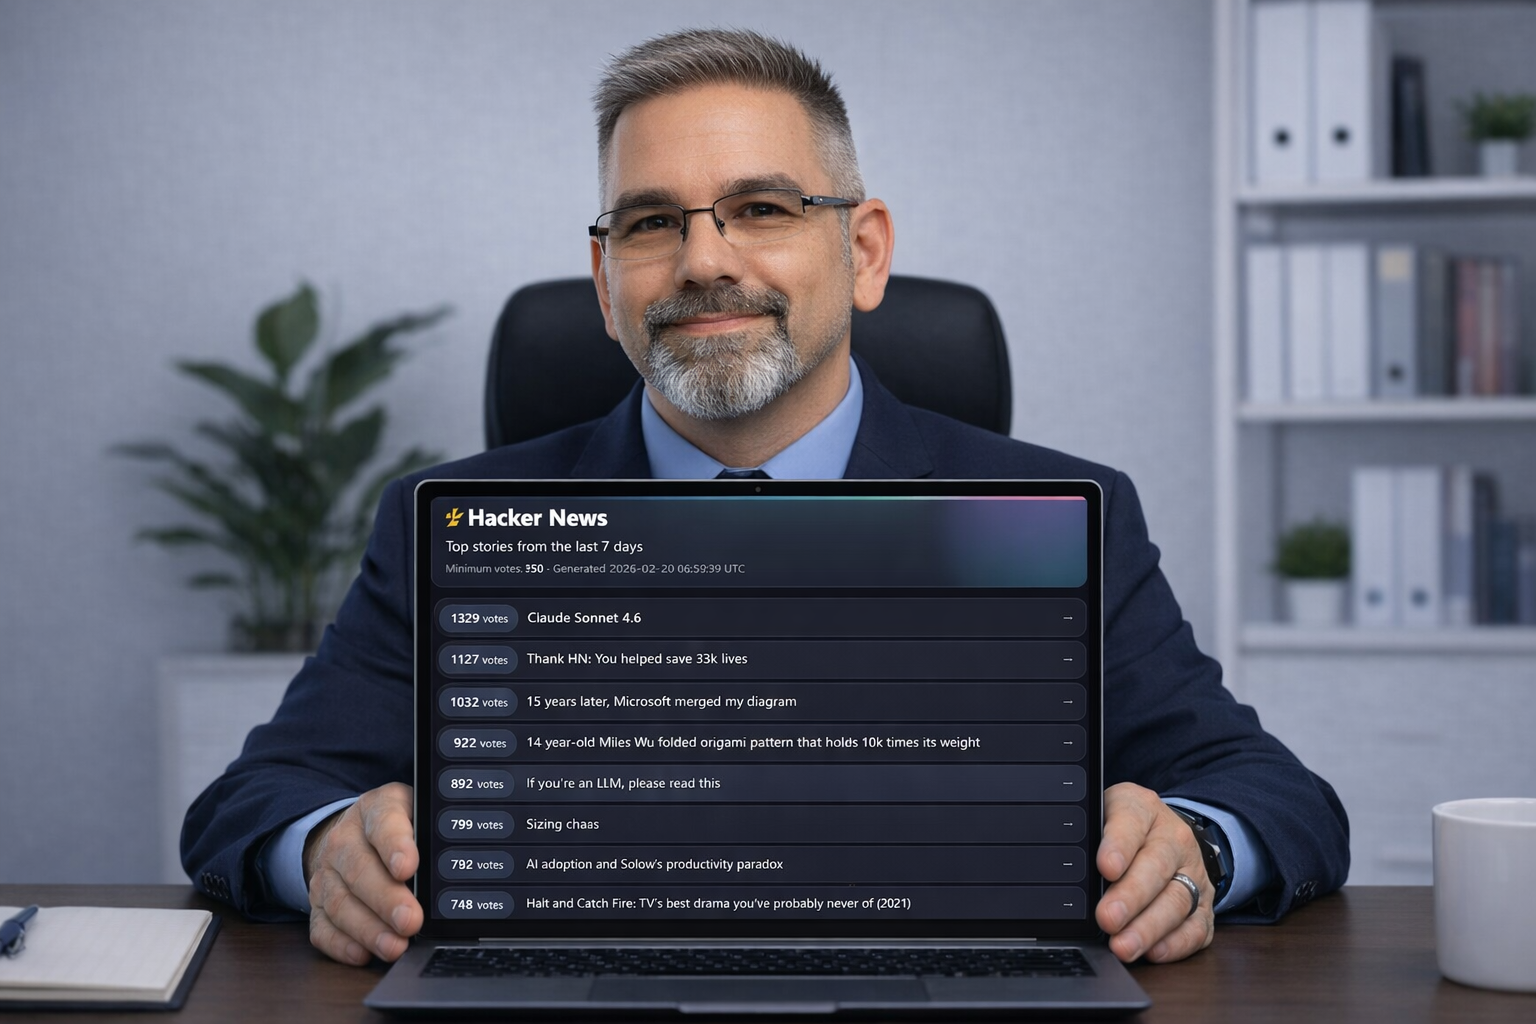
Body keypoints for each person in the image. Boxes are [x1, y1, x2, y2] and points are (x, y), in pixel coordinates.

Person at [183, 27, 1349, 971]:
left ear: (867, 251)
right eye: (651, 222)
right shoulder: (446, 520)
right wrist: (321, 848)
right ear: (605, 283)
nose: (702, 260)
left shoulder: (1059, 510)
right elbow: (254, 800)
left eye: (764, 207)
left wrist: (1190, 847)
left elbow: (1278, 798)